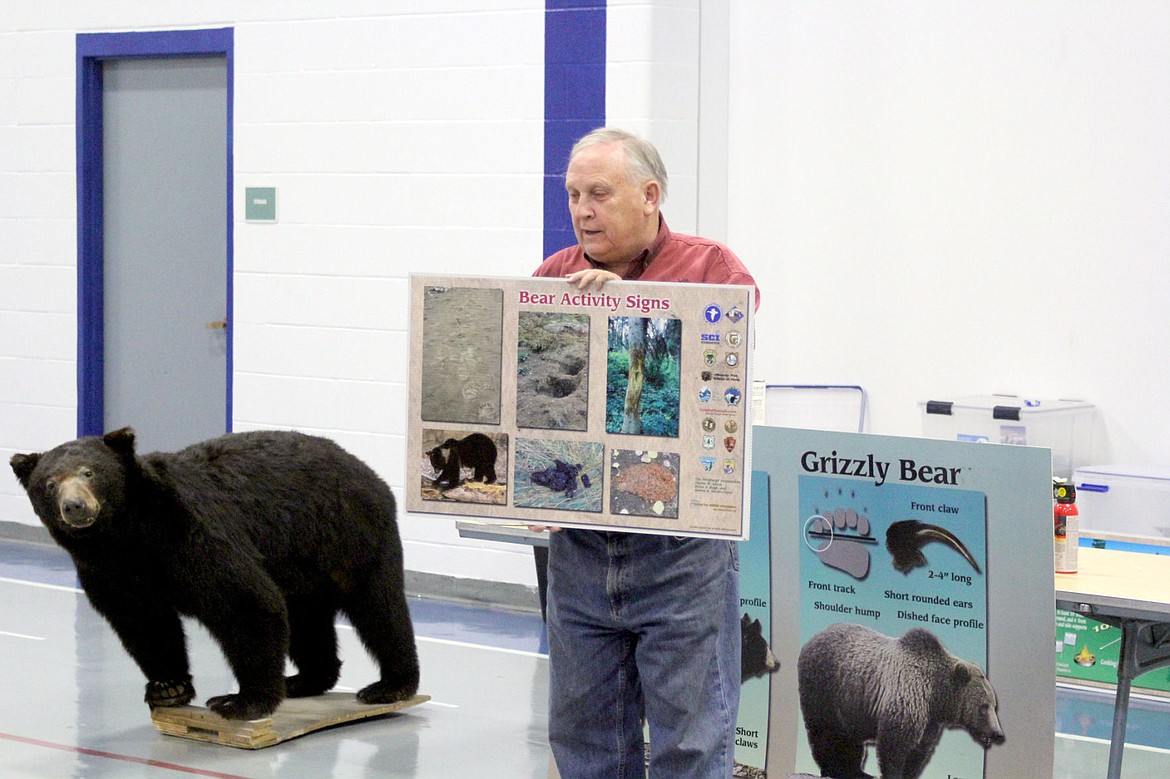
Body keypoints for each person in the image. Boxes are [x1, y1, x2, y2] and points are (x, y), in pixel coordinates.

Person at [532, 127, 760, 778]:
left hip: (679, 552)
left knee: (690, 739)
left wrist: (627, 314)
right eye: (574, 194)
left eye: (599, 193)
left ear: (650, 195)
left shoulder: (712, 267)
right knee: (585, 739)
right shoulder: (555, 275)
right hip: (581, 547)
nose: (581, 209)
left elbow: (721, 365)